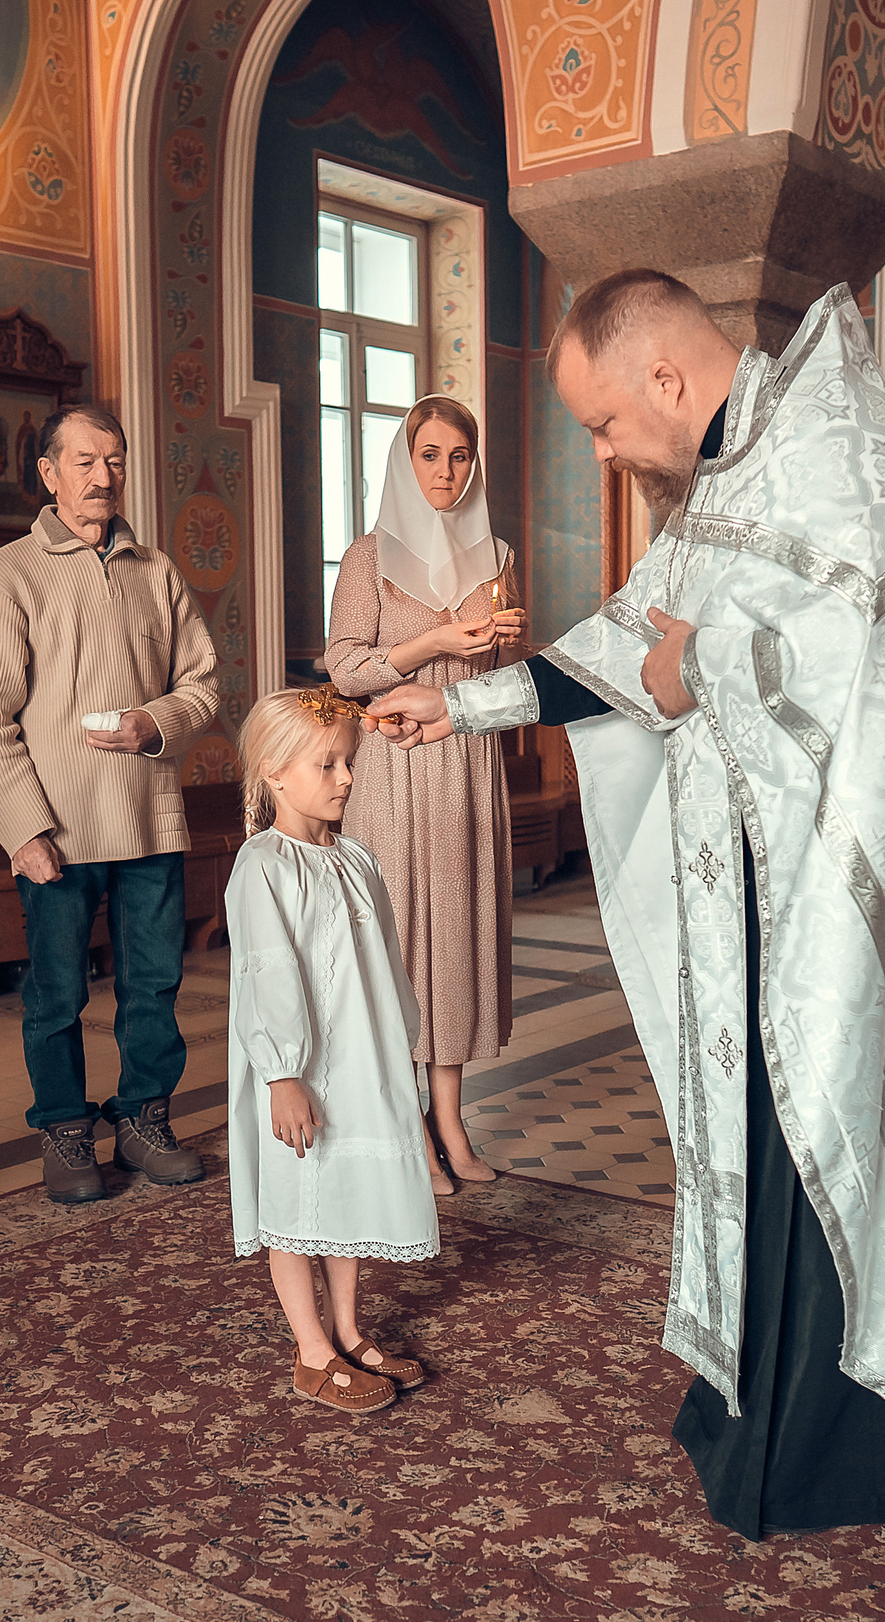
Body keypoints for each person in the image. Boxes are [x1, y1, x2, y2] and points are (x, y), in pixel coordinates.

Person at [370, 271, 885, 1537]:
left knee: (833, 1110)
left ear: (664, 378)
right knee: (772, 1121)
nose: (604, 453)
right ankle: (765, 1389)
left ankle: (854, 1429)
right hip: (770, 882)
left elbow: (841, 654)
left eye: (604, 424)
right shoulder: (734, 471)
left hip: (852, 893)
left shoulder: (839, 450)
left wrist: (693, 662)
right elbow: (629, 642)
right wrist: (462, 705)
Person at [0, 404, 221, 1202]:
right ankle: (65, 1131)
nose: (103, 477)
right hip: (58, 830)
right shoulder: (9, 571)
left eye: (114, 461)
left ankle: (144, 1120)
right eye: (85, 462)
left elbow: (203, 685)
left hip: (149, 817)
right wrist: (23, 829)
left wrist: (154, 722)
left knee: (155, 985)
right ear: (48, 473)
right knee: (56, 993)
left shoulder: (157, 570)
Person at [322, 396, 525, 1193]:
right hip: (394, 764)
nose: (446, 471)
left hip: (469, 765)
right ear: (405, 462)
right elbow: (345, 668)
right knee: (402, 942)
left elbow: (507, 678)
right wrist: (434, 639)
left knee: (458, 940)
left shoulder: (497, 554)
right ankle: (404, 1124)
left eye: (460, 455)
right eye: (430, 454)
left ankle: (450, 1120)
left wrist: (509, 645)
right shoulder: (368, 556)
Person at [226, 687, 437, 1414]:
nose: (346, 777)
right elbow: (267, 972)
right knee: (297, 1195)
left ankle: (347, 1329)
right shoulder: (262, 864)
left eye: (349, 761)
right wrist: (282, 1072)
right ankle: (311, 1349)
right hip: (300, 1068)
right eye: (327, 764)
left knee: (345, 1188)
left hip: (359, 1056)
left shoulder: (357, 858)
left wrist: (397, 1044)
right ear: (275, 773)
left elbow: (384, 960)